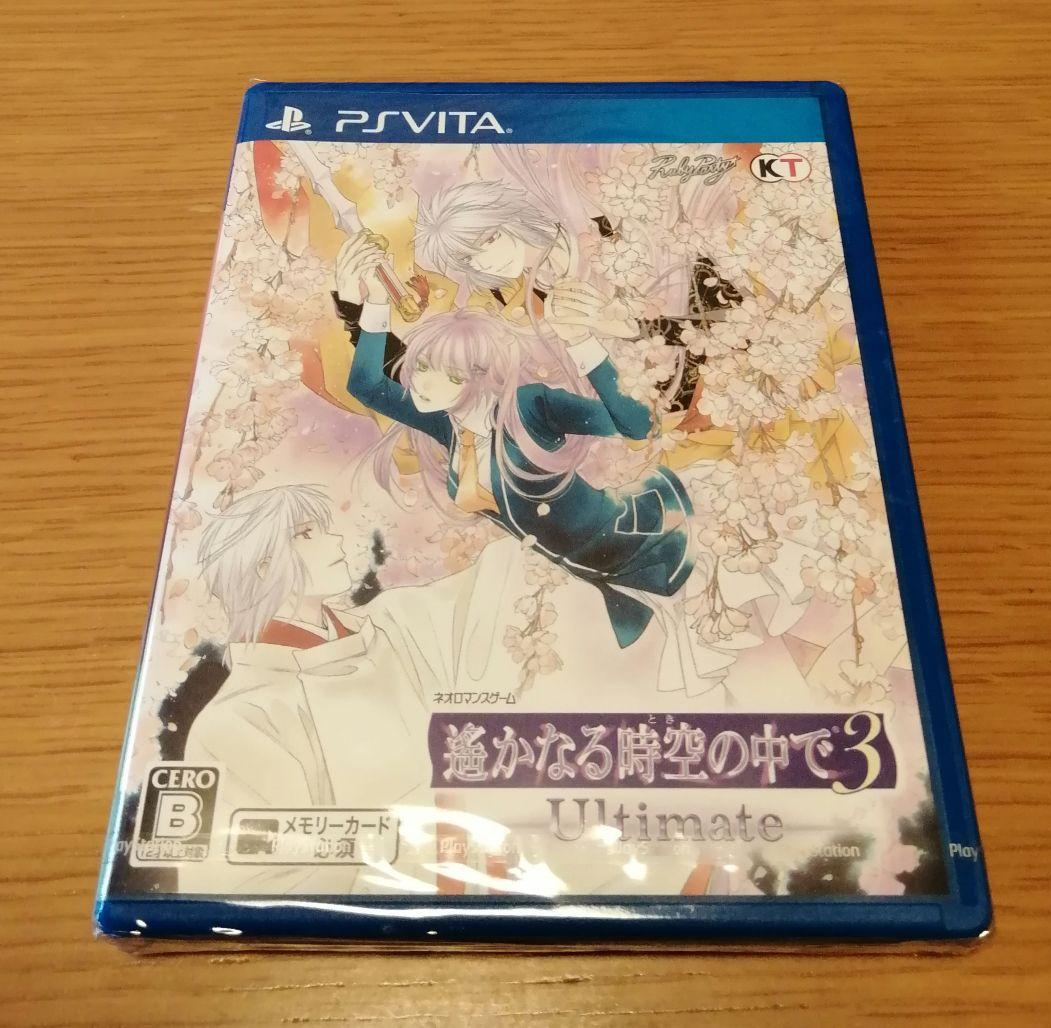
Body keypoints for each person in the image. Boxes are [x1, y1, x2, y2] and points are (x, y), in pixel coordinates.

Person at [341, 233, 695, 650]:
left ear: (482, 377)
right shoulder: (446, 423)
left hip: (642, 545)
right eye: (421, 367)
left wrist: (582, 341)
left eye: (451, 374)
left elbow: (637, 426)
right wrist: (375, 300)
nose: (424, 384)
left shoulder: (530, 407)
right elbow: (366, 385)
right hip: (590, 575)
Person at [179, 484, 429, 894]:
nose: (336, 540)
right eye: (307, 534)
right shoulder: (238, 718)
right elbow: (250, 883)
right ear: (263, 567)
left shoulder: (384, 632)